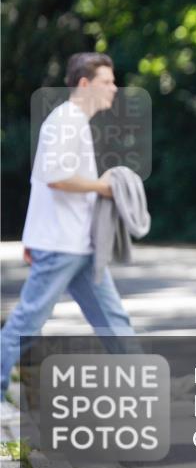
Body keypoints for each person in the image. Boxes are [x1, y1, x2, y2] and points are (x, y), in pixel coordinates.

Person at [1, 52, 135, 394]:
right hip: (61, 246)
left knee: (113, 320)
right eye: (107, 82)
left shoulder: (74, 122)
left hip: (79, 245)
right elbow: (57, 178)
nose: (114, 88)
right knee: (27, 323)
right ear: (85, 84)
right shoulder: (66, 121)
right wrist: (104, 187)